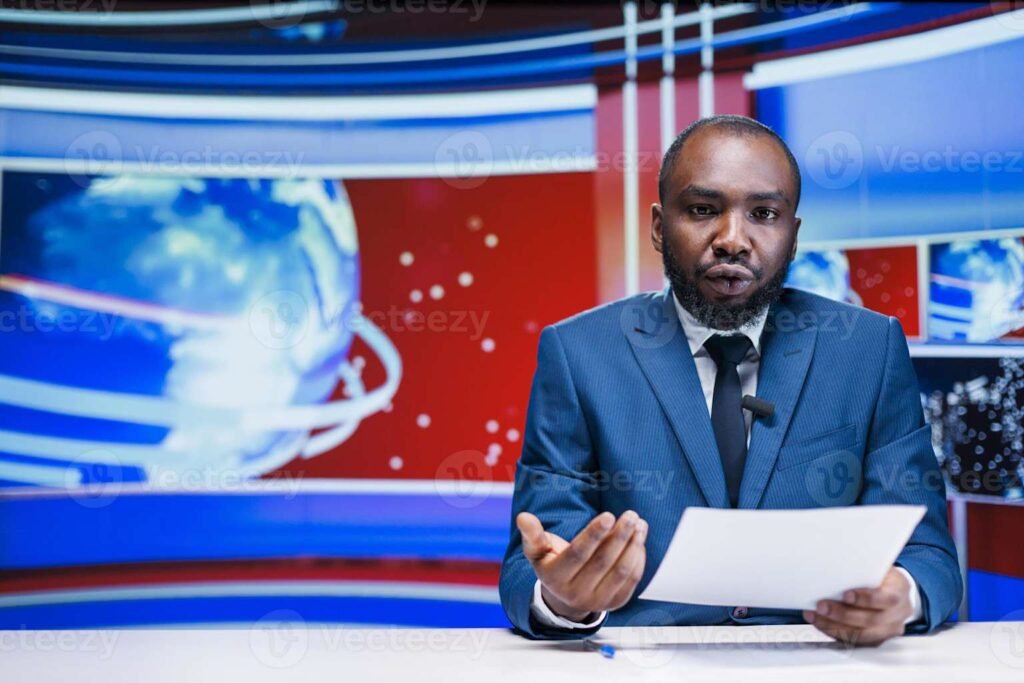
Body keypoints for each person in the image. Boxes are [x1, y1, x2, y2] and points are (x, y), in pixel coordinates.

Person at [499, 115, 961, 646]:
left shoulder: (867, 348)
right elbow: (529, 566)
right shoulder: (579, 352)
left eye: (764, 214)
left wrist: (900, 596)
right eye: (703, 210)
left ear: (792, 235)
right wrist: (563, 600)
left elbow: (930, 556)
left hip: (820, 663)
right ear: (657, 226)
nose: (732, 240)